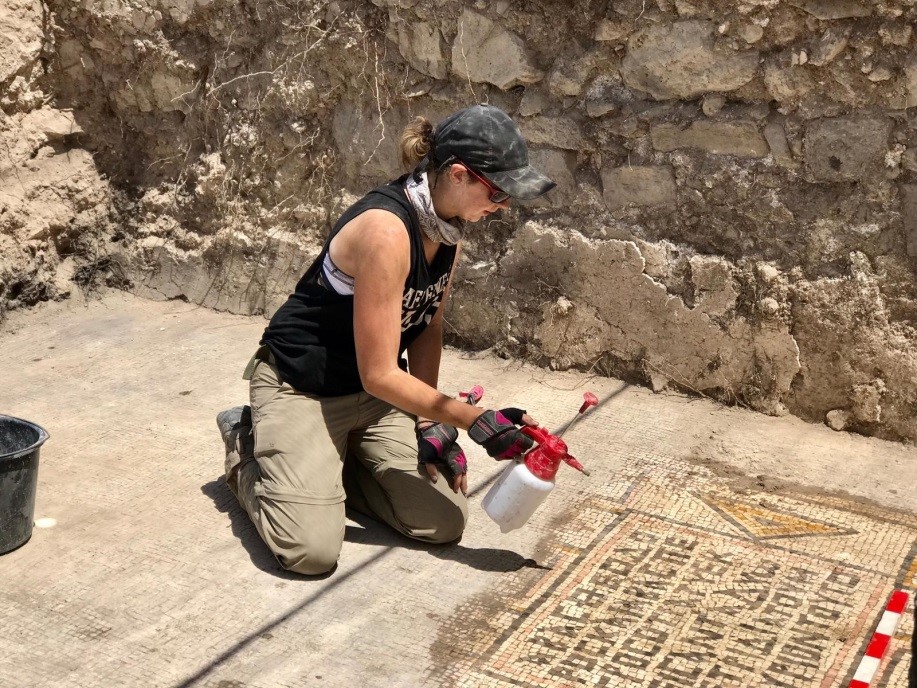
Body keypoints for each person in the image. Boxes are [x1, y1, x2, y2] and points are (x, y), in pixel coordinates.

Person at [216, 103, 557, 575]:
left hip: (371, 396)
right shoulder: (386, 232)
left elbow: (428, 325)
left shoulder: (447, 229)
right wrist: (472, 419)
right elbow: (379, 373)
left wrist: (428, 422)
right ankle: (247, 442)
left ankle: (328, 468)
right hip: (304, 386)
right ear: (458, 174)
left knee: (442, 522)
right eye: (498, 192)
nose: (503, 207)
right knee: (310, 552)